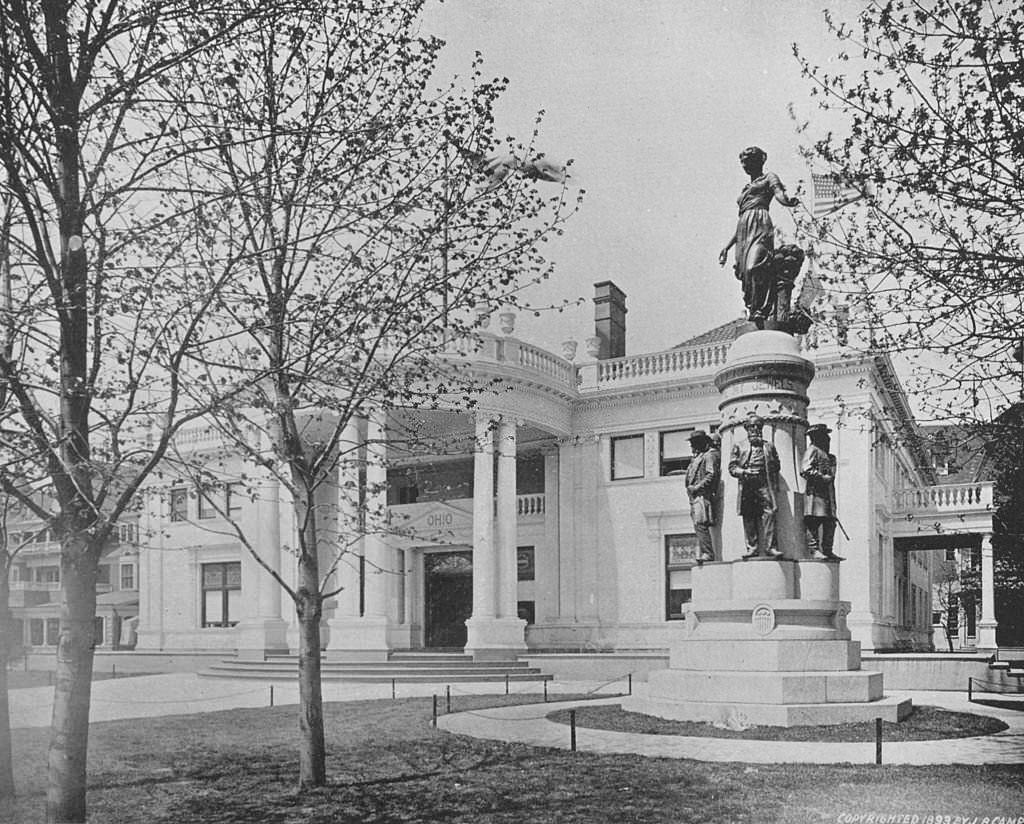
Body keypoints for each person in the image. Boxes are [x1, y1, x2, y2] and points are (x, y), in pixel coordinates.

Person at [718, 146, 800, 328]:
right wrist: (727, 247)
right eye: (743, 163)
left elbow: (778, 193)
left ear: (758, 162)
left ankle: (761, 309)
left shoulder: (769, 177)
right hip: (743, 230)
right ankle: (754, 310)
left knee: (755, 266)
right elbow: (741, 220)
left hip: (760, 223)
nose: (745, 166)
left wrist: (787, 201)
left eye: (748, 162)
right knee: (746, 274)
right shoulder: (745, 187)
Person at [729, 415, 782, 558]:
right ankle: (752, 547)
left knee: (770, 512)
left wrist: (769, 469)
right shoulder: (739, 446)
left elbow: (777, 465)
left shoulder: (769, 446)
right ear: (747, 429)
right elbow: (732, 468)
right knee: (748, 515)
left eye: (758, 426)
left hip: (764, 483)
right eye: (752, 427)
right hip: (747, 483)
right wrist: (745, 472)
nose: (755, 429)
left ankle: (771, 547)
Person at [801, 423, 842, 559]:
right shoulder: (813, 450)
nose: (828, 439)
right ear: (817, 438)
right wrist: (821, 477)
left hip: (828, 495)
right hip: (816, 493)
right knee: (815, 520)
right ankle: (814, 549)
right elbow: (805, 469)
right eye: (824, 436)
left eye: (827, 437)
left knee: (830, 522)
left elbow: (832, 475)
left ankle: (828, 549)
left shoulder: (830, 457)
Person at [685, 430, 720, 562]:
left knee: (700, 523)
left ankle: (708, 553)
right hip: (694, 497)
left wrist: (696, 487)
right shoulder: (697, 458)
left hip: (702, 495)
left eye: (693, 443)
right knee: (697, 524)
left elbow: (711, 475)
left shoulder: (708, 456)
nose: (691, 446)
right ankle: (706, 552)